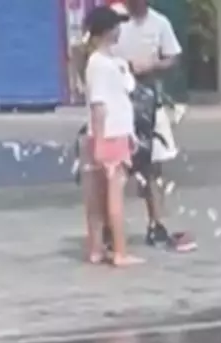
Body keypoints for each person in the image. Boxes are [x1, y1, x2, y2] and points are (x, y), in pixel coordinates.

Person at [113, 0, 195, 252]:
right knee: (116, 167)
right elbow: (93, 50)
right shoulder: (115, 20)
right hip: (119, 99)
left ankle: (156, 224)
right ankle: (110, 228)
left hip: (149, 97)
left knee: (153, 167)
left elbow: (173, 57)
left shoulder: (160, 22)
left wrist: (153, 65)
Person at [81, 5, 144, 267]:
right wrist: (100, 139)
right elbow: (100, 105)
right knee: (114, 196)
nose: (120, 30)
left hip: (103, 134)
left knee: (96, 196)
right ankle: (120, 251)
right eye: (116, 26)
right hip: (110, 135)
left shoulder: (105, 63)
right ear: (107, 31)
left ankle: (97, 249)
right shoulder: (101, 65)